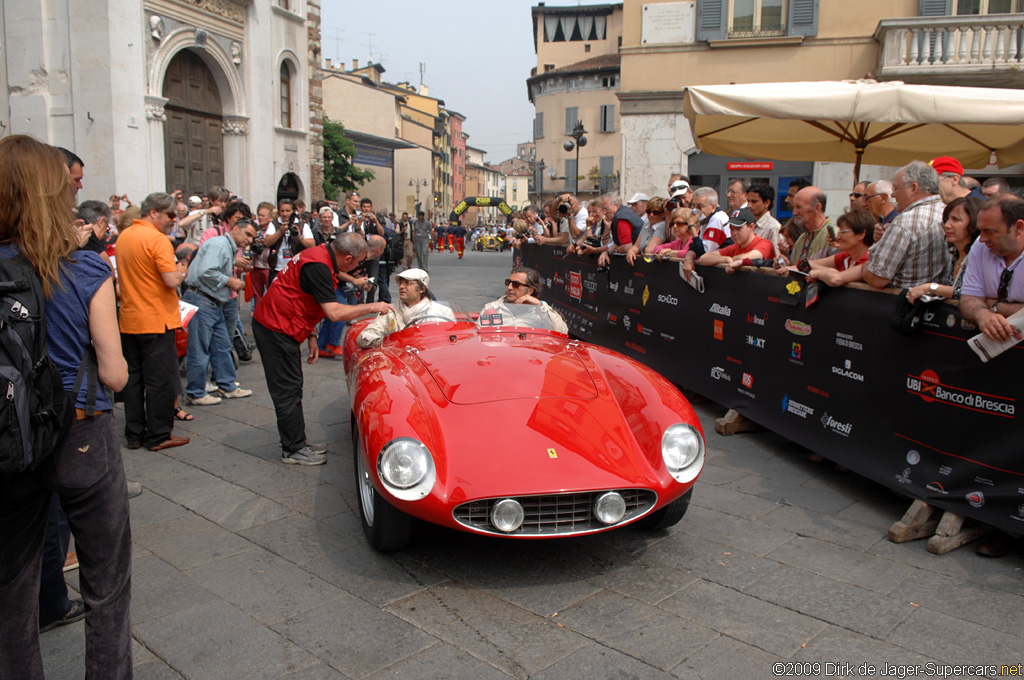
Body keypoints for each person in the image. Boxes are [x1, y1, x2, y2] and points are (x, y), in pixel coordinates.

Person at [0, 135, 132, 679]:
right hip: (81, 430)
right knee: (106, 582)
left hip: (11, 439)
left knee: (13, 587)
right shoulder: (84, 271)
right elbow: (114, 373)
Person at [252, 232, 392, 465]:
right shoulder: (319, 265)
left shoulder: (321, 255)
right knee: (288, 389)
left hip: (282, 323)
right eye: (358, 263)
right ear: (347, 258)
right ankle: (293, 449)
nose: (358, 269)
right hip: (274, 327)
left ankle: (298, 441)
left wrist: (312, 334)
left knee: (293, 386)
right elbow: (334, 312)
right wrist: (374, 306)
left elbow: (302, 294)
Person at [117, 192, 191, 451]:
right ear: (153, 212)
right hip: (156, 319)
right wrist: (182, 269)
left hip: (129, 319)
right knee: (159, 380)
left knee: (134, 380)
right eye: (171, 215)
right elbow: (171, 280)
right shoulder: (157, 239)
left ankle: (134, 433)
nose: (174, 220)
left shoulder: (124, 236)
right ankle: (159, 435)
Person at [181, 218, 257, 406]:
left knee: (222, 344)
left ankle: (227, 385)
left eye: (252, 237)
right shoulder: (220, 244)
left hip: (212, 302)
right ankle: (195, 392)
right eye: (247, 234)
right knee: (200, 349)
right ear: (235, 229)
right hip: (202, 300)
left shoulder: (226, 246)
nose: (249, 240)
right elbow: (207, 272)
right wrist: (229, 281)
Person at [863, 161, 950, 290]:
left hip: (903, 302)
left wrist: (864, 267)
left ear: (914, 188)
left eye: (896, 188)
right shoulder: (948, 212)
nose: (893, 195)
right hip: (937, 302)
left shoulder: (905, 222)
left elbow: (878, 278)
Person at [959, 196, 1024, 342]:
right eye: (981, 231)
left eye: (989, 231)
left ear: (1018, 228)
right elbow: (969, 298)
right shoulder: (980, 246)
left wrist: (994, 306)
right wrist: (982, 315)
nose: (982, 238)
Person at [906, 197, 983, 302]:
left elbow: (970, 293)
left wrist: (930, 288)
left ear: (974, 223)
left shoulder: (981, 256)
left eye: (956, 219)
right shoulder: (956, 254)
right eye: (946, 220)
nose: (947, 225)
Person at [356, 269, 454, 348]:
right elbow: (363, 338)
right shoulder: (390, 311)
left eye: (408, 283)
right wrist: (384, 342)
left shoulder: (443, 311)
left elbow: (452, 342)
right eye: (400, 283)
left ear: (422, 289)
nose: (402, 287)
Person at [481, 266, 568, 334]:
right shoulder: (491, 308)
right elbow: (479, 337)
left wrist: (541, 306)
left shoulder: (542, 313)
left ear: (530, 290)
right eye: (508, 283)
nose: (509, 287)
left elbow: (562, 332)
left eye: (516, 284)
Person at [805, 207, 876, 287]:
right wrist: (829, 271)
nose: (838, 236)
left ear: (861, 235)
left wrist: (821, 272)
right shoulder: (846, 257)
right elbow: (807, 264)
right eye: (839, 232)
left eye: (843, 232)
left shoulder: (870, 259)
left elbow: (836, 279)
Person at [778, 186, 835, 270]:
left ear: (817, 207)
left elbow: (838, 271)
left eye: (799, 207)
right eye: (794, 207)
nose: (794, 213)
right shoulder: (801, 239)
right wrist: (786, 265)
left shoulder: (834, 237)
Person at [700, 208, 774, 270]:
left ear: (752, 227)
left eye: (739, 229)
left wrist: (732, 259)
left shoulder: (765, 244)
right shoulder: (734, 247)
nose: (734, 233)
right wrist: (726, 259)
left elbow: (745, 258)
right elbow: (703, 259)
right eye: (731, 229)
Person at [691, 187, 731, 253]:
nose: (695, 210)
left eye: (699, 206)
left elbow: (704, 252)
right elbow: (693, 246)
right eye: (693, 206)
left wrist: (691, 227)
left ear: (713, 207)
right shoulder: (705, 219)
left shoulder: (717, 218)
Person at [747, 183, 781, 257]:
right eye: (748, 201)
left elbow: (777, 257)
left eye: (754, 201)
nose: (749, 205)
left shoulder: (774, 227)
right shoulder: (748, 223)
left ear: (767, 203)